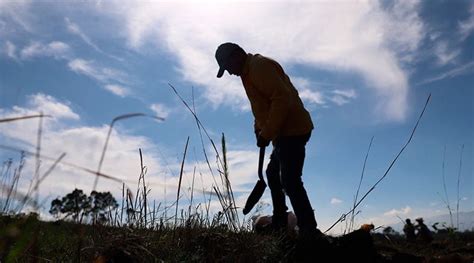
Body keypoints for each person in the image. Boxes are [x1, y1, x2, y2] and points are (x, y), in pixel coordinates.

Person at [215, 43, 324, 250]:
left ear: (236, 56)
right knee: (273, 175)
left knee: (290, 180)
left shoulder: (259, 67)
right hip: (282, 132)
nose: (228, 73)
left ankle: (308, 229)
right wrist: (259, 128)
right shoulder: (247, 74)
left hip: (293, 129)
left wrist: (267, 133)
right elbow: (261, 106)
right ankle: (280, 223)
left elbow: (282, 98)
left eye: (227, 66)